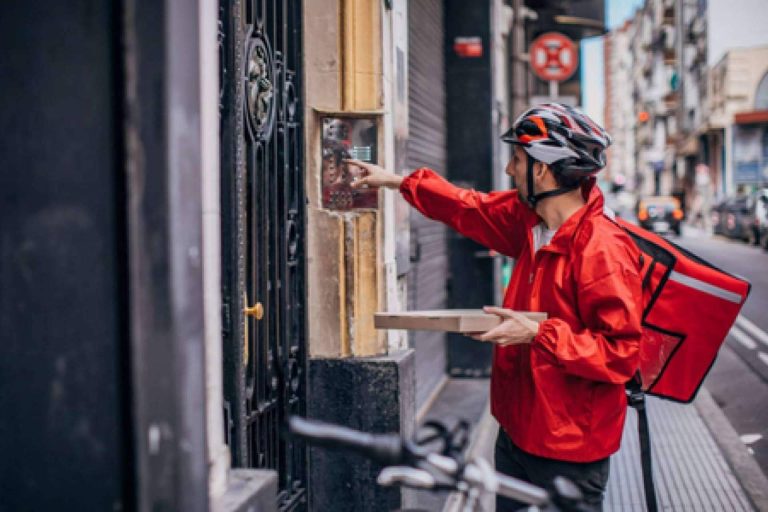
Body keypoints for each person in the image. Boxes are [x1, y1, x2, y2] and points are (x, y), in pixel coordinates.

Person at [346, 103, 643, 511]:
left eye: (517, 160)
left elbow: (621, 353)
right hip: (516, 428)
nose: (508, 169)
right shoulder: (530, 222)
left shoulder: (602, 249)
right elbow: (468, 206)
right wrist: (396, 181)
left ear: (542, 170)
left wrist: (537, 333)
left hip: (570, 446)